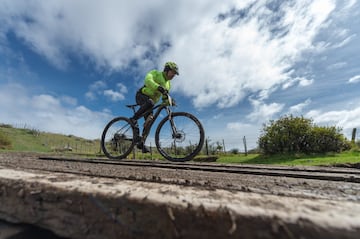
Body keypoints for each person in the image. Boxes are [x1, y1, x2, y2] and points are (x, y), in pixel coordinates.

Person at [130, 61, 179, 153]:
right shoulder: (155, 73)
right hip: (142, 95)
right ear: (167, 69)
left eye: (175, 74)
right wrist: (158, 87)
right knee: (151, 102)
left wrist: (169, 101)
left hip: (150, 103)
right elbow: (148, 80)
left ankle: (141, 143)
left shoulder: (168, 84)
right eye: (173, 72)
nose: (174, 75)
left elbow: (165, 96)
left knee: (150, 121)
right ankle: (133, 118)